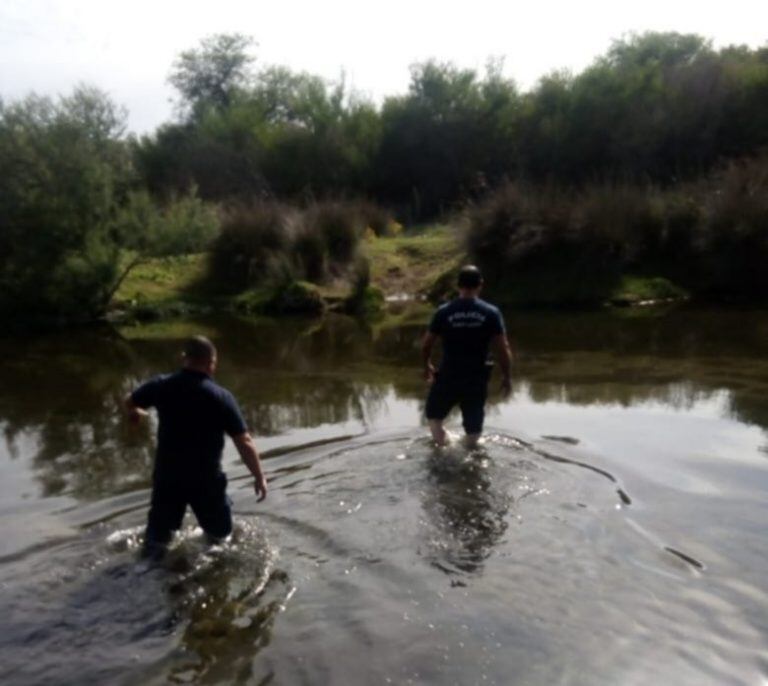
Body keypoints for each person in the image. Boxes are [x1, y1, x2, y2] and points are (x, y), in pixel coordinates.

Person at [125, 335, 267, 555]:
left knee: (157, 542)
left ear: (184, 358)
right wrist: (259, 476)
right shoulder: (220, 397)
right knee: (220, 540)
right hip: (205, 480)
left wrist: (135, 413)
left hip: (168, 477)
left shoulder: (161, 386)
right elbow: (244, 441)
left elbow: (130, 401)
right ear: (212, 363)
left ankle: (147, 570)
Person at [422, 265, 512, 448]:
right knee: (473, 428)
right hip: (476, 377)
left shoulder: (444, 312)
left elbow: (426, 344)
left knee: (434, 416)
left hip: (448, 375)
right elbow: (502, 348)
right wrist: (507, 376)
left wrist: (426, 366)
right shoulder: (490, 313)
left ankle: (442, 447)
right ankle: (469, 456)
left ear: (458, 285)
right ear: (480, 285)